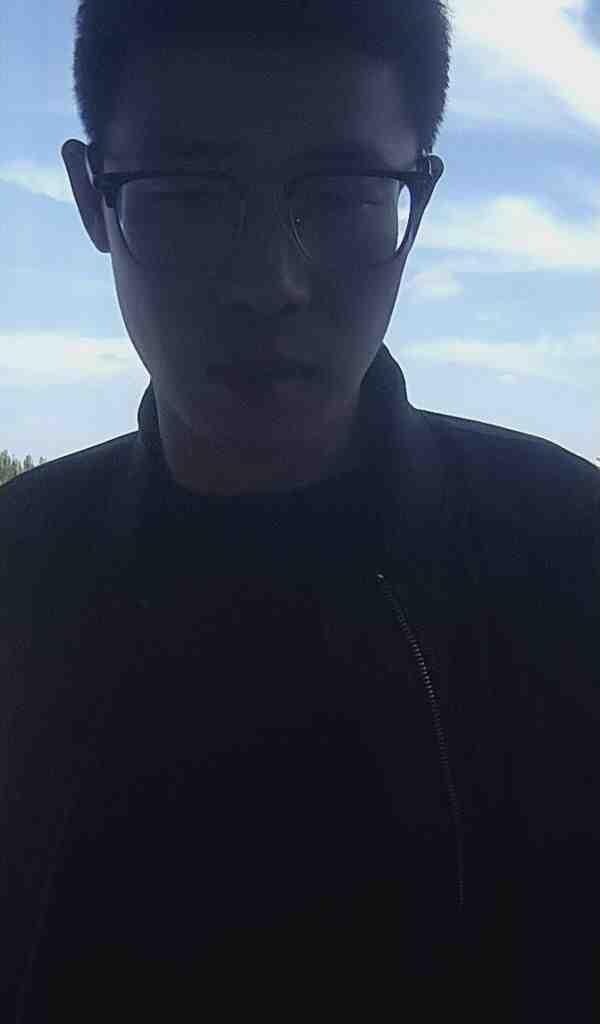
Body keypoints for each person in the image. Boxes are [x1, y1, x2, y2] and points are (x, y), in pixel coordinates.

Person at [1, 1, 598, 1020]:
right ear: (92, 200)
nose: (267, 284)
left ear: (420, 194)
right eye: (190, 198)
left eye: (343, 197)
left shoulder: (575, 566)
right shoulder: (16, 578)